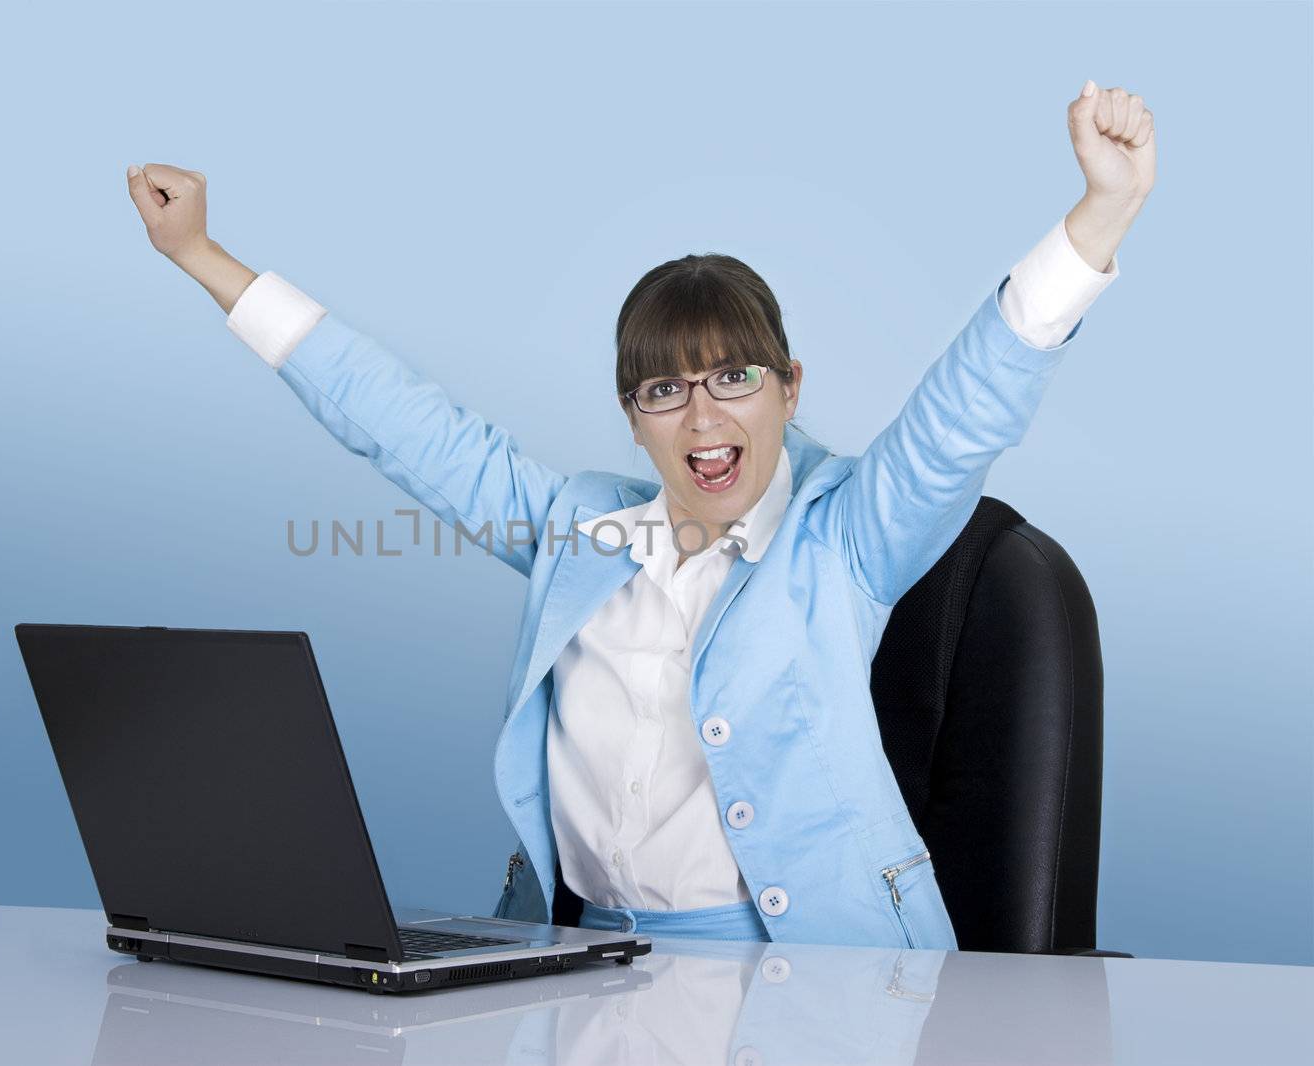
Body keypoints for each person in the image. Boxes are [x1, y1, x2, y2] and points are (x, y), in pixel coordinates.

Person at [124, 81, 1155, 948]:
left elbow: (961, 413)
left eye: (733, 378)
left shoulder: (844, 535)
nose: (702, 414)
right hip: (580, 963)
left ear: (789, 388)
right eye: (664, 391)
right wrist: (199, 254)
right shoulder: (574, 527)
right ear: (633, 417)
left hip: (813, 980)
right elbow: (402, 422)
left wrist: (1097, 217)